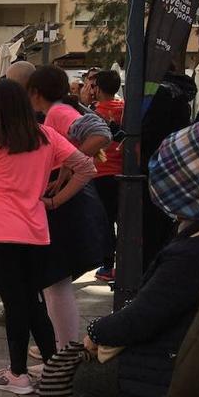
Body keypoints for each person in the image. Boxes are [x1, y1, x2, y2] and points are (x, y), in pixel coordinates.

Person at [73, 114, 199, 397]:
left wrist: (96, 331)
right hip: (187, 348)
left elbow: (143, 318)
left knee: (88, 378)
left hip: (184, 366)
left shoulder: (198, 250)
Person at [0, 79, 95, 394]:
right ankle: (55, 369)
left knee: (14, 303)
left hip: (0, 230)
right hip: (36, 229)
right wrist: (54, 200)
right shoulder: (47, 136)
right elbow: (87, 168)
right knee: (32, 301)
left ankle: (18, 373)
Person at [28, 65, 112, 350]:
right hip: (70, 201)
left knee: (55, 283)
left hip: (67, 206)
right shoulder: (61, 110)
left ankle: (64, 352)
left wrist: (71, 161)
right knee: (53, 284)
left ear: (35, 92)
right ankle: (61, 346)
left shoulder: (57, 112)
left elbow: (101, 134)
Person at [91, 69, 124, 283]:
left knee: (105, 221)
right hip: (124, 173)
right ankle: (124, 263)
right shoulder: (125, 109)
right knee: (123, 221)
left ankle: (107, 265)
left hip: (101, 173)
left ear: (98, 89)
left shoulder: (94, 112)